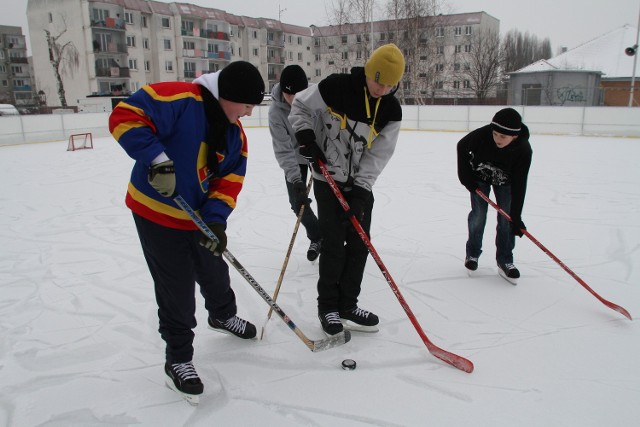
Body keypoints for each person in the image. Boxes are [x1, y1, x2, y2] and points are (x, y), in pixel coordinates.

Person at [109, 61, 265, 402]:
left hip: (194, 215)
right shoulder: (179, 98)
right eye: (247, 105)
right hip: (155, 215)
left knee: (213, 269)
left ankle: (223, 316)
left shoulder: (235, 135)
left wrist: (215, 220)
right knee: (175, 286)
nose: (249, 114)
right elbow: (124, 115)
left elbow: (228, 183)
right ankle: (178, 359)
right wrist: (156, 160)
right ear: (228, 96)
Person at [289, 44, 405, 335]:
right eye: (379, 80)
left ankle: (348, 305)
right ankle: (328, 307)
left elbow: (380, 153)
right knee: (333, 246)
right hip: (327, 179)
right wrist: (305, 136)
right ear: (369, 72)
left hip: (358, 184)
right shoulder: (336, 87)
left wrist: (362, 191)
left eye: (391, 84)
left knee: (359, 245)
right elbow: (300, 105)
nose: (383, 88)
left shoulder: (390, 109)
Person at [456, 107, 533, 283]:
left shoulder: (523, 150)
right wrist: (466, 178)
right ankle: (472, 254)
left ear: (514, 136)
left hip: (506, 182)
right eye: (496, 134)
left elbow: (520, 183)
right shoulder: (484, 134)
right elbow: (461, 146)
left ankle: (505, 260)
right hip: (479, 179)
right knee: (478, 215)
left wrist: (516, 216)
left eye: (503, 136)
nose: (497, 138)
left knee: (506, 220)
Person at [268, 65, 322, 261]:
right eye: (288, 95)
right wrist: (296, 180)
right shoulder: (276, 112)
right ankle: (317, 235)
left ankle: (336, 236)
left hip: (320, 151)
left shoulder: (317, 97)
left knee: (329, 196)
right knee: (296, 202)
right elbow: (283, 149)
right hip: (295, 156)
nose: (293, 100)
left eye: (298, 94)